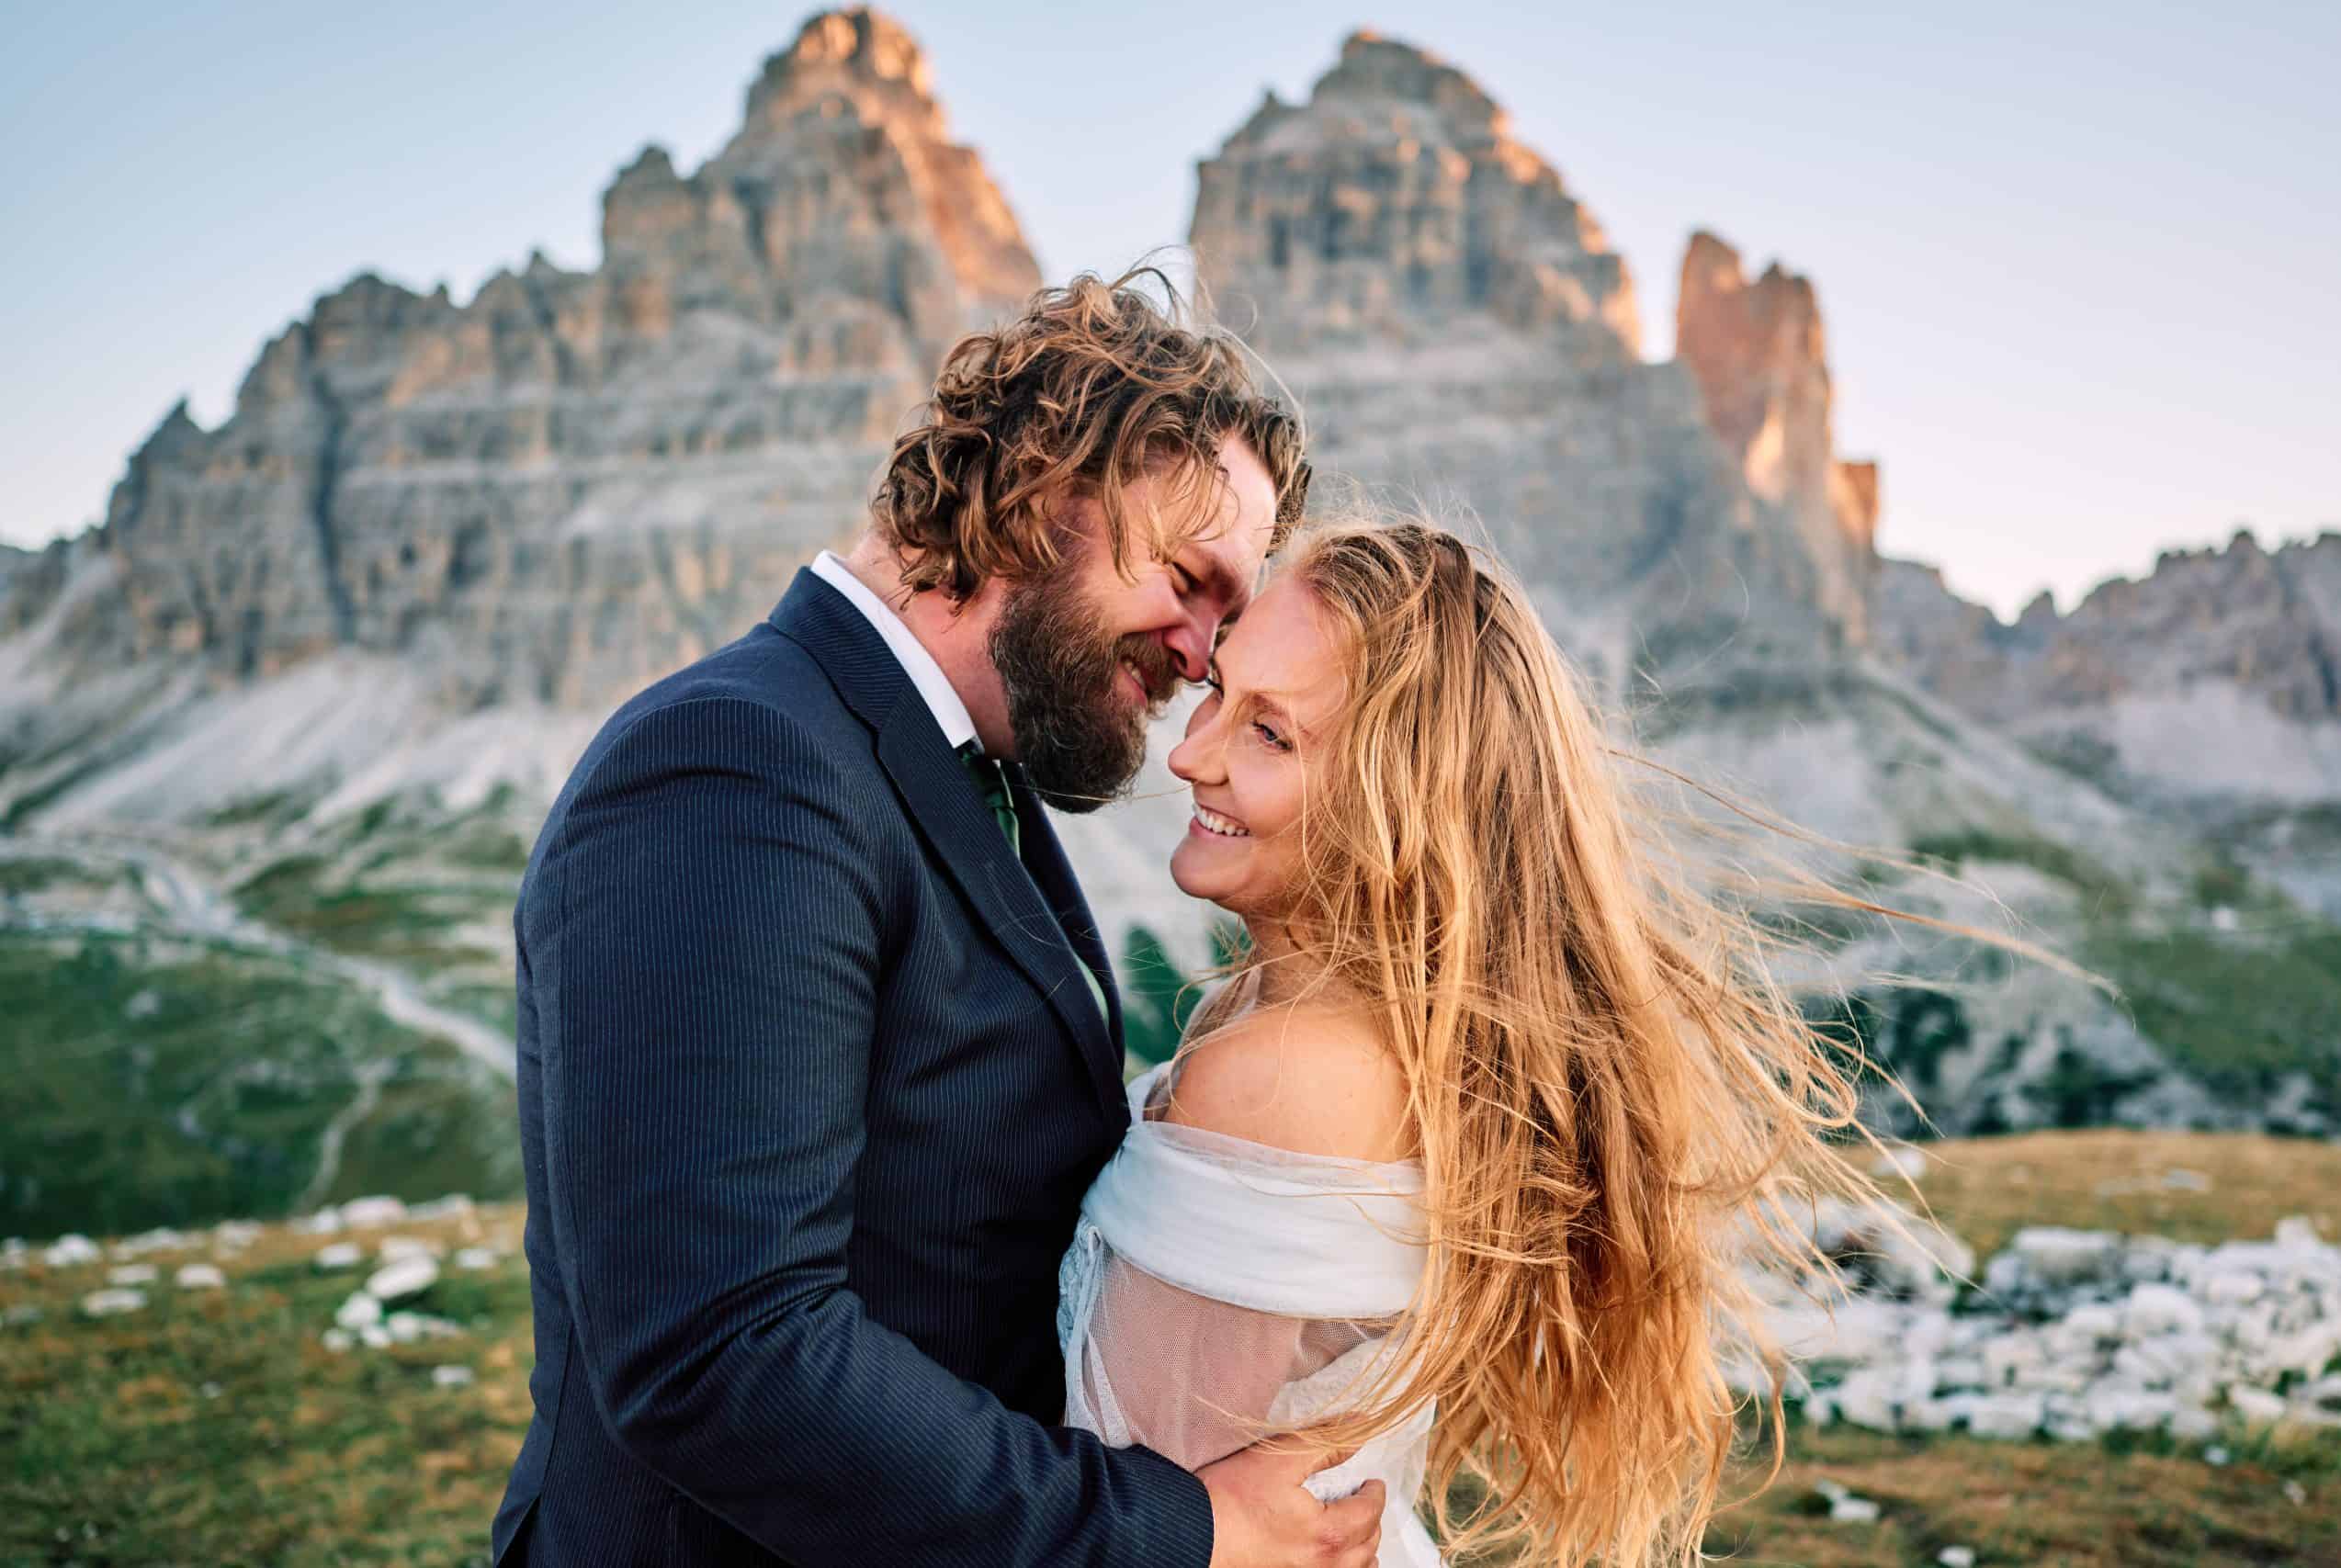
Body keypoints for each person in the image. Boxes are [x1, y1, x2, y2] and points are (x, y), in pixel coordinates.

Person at [490, 272, 1390, 1567]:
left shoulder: (958, 769)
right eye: (1190, 580)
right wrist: (1175, 1533)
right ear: (1041, 486)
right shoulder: (738, 763)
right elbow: (721, 1353)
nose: (1203, 655)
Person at [1059, 519, 1911, 1567]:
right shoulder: (1356, 1026)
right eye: (1219, 694)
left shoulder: (1287, 1075)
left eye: (1271, 734)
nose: (1191, 755)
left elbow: (1128, 1511)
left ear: (1402, 798)